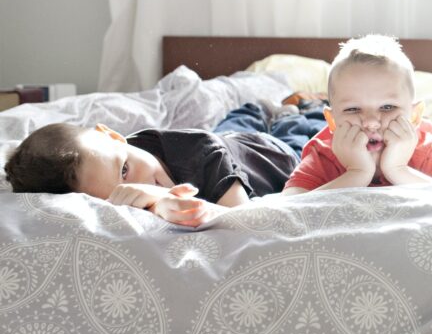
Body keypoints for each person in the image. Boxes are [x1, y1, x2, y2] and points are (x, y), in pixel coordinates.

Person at [3, 104, 327, 226]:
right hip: (225, 143)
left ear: (115, 136)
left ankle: (285, 107)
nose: (139, 187)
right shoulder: (109, 169)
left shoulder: (198, 150)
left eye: (126, 171)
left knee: (300, 129)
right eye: (120, 193)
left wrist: (159, 200)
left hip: (273, 155)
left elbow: (242, 220)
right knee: (230, 125)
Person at [282, 34, 432, 192]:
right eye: (352, 109)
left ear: (414, 116)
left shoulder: (427, 148)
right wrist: (357, 174)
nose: (371, 122)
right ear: (332, 121)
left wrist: (398, 170)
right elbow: (285, 210)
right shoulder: (325, 154)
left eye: (387, 107)